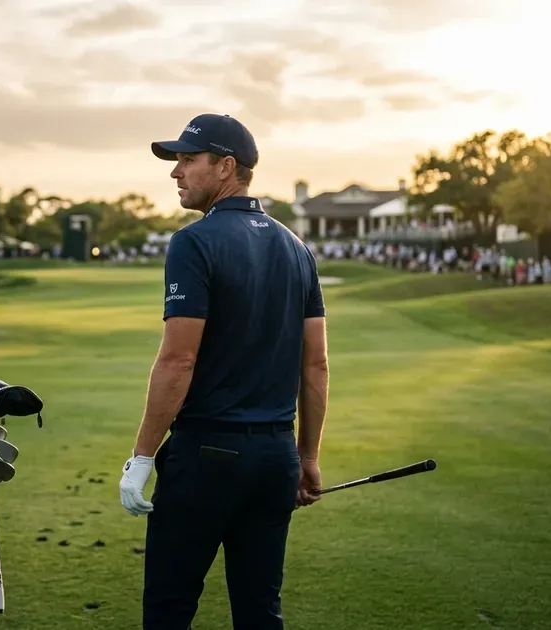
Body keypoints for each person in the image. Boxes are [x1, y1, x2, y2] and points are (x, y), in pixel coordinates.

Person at [118, 113, 330, 629]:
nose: (176, 173)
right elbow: (316, 364)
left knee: (169, 609)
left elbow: (178, 358)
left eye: (188, 161)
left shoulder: (194, 241)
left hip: (208, 457)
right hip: (275, 457)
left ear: (226, 167)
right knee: (260, 611)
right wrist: (306, 456)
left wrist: (142, 455)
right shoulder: (296, 247)